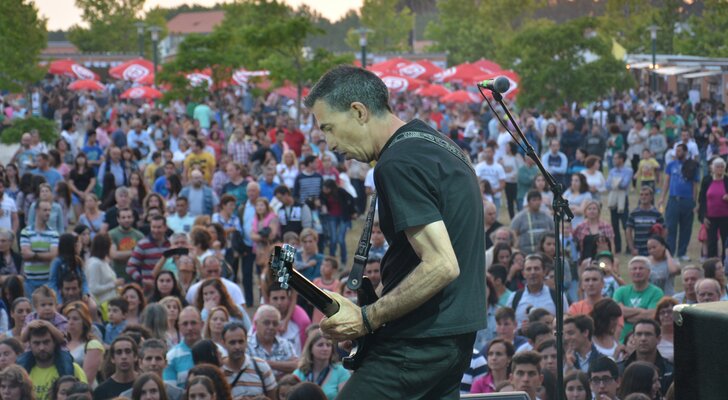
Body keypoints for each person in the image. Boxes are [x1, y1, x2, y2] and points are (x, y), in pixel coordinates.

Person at [18, 320, 87, 400]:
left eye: (46, 342)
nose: (42, 348)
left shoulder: (73, 369)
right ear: (30, 344)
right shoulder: (23, 371)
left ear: (54, 343)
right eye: (36, 343)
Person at [659, 144, 699, 261]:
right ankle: (670, 253)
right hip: (673, 199)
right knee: (670, 227)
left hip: (687, 200)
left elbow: (695, 185)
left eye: (680, 151)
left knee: (686, 227)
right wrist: (662, 197)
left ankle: (682, 253)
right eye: (676, 150)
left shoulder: (693, 165)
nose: (677, 153)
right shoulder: (671, 165)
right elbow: (666, 182)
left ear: (685, 152)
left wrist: (694, 201)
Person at [507, 254, 568, 327]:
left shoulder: (558, 296)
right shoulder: (514, 297)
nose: (532, 272)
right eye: (529, 269)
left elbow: (565, 323)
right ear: (523, 273)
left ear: (544, 272)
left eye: (536, 269)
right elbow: (508, 325)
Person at [613, 257, 665, 342]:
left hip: (645, 341)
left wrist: (626, 317)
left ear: (649, 272)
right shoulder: (620, 291)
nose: (637, 271)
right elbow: (617, 312)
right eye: (634, 269)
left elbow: (651, 316)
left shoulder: (656, 292)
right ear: (629, 272)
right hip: (622, 341)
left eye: (641, 268)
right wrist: (641, 311)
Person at [221, 321, 277, 398]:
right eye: (232, 343)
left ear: (246, 341)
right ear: (223, 343)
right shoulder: (219, 371)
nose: (237, 347)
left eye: (241, 342)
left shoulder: (261, 366)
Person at [618, 319, 674, 395]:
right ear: (633, 338)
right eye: (639, 334)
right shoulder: (620, 369)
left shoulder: (670, 371)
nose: (643, 338)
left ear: (658, 339)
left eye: (648, 334)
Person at [292, 330, 349, 400]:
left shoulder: (341, 372)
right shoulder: (299, 373)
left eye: (328, 345)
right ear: (310, 348)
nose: (325, 349)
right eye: (320, 345)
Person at [118, 339, 183, 400]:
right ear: (140, 363)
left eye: (158, 358)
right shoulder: (126, 397)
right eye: (149, 358)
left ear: (166, 363)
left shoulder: (177, 394)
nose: (153, 363)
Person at [247, 305, 298, 379]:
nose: (271, 327)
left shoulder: (286, 344)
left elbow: (296, 366)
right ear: (256, 324)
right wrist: (284, 367)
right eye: (266, 323)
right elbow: (249, 373)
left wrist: (265, 364)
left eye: (275, 323)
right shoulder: (246, 345)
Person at [20, 200, 59, 296]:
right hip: (30, 281)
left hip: (47, 280)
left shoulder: (54, 233)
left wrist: (33, 255)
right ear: (37, 210)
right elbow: (25, 255)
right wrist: (45, 255)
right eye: (45, 210)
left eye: (49, 210)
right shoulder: (26, 232)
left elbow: (53, 256)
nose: (48, 213)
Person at [62, 301, 104, 387]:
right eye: (68, 319)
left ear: (84, 321)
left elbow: (87, 379)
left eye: (75, 319)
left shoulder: (92, 345)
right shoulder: (62, 344)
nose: (70, 322)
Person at [127, 215, 171, 293]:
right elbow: (130, 267)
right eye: (153, 227)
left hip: (168, 287)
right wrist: (142, 280)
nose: (156, 230)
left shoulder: (171, 244)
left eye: (159, 227)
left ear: (165, 228)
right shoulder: (143, 244)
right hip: (149, 289)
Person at [164, 306, 202, 387]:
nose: (189, 328)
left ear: (202, 324)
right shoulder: (171, 357)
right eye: (185, 324)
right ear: (179, 327)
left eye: (193, 323)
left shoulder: (216, 350)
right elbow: (170, 390)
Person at [698, 157, 728, 259]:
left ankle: (724, 263)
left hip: (725, 217)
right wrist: (703, 216)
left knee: (725, 241)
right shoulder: (707, 180)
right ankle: (712, 263)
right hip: (710, 217)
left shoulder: (727, 180)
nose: (720, 169)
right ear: (713, 168)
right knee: (711, 241)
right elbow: (702, 200)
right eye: (718, 167)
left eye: (722, 167)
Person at [92, 335, 139, 400]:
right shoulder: (101, 391)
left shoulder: (145, 384)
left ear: (135, 356)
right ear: (112, 358)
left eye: (128, 351)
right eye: (119, 352)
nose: (124, 356)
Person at [606, 152, 634, 254]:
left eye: (616, 158)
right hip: (614, 198)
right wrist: (617, 182)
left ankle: (629, 247)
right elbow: (607, 185)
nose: (614, 160)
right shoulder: (612, 171)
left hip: (623, 199)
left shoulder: (628, 170)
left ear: (621, 159)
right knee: (614, 224)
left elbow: (624, 184)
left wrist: (615, 183)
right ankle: (617, 247)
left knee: (625, 224)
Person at [108, 208, 144, 282]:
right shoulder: (111, 234)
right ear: (118, 219)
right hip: (118, 275)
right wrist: (135, 252)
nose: (126, 220)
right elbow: (114, 255)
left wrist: (123, 254)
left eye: (129, 217)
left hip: (136, 276)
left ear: (133, 218)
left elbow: (143, 255)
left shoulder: (139, 235)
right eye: (123, 217)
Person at [626, 186, 664, 257]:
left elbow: (664, 231)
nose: (643, 197)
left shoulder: (657, 214)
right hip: (638, 251)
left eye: (646, 194)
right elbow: (628, 231)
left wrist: (660, 247)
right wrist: (632, 248)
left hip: (653, 252)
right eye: (641, 194)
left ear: (651, 197)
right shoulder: (634, 213)